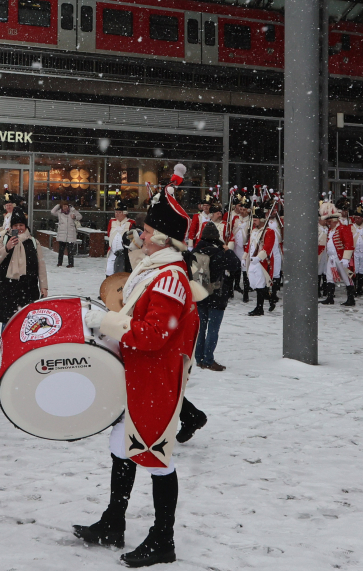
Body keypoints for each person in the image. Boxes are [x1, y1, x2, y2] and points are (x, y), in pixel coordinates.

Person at [75, 164, 201, 568]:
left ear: (163, 238)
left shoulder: (168, 278)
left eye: (146, 231)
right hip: (138, 372)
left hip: (154, 376)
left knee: (156, 456)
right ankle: (114, 521)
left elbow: (152, 335)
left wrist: (105, 323)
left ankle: (163, 539)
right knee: (121, 448)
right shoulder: (155, 270)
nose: (140, 234)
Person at [192, 223, 237, 371]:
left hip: (200, 294)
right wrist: (226, 249)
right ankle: (208, 360)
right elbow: (235, 265)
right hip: (216, 296)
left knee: (200, 328)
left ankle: (199, 358)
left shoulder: (195, 251)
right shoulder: (219, 253)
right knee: (212, 329)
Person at [0, 211, 49, 324]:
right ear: (11, 227)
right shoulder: (3, 239)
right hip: (7, 288)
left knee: (28, 322)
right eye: (15, 225)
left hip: (29, 287)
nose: (19, 228)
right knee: (8, 323)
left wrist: (44, 286)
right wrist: (7, 248)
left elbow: (41, 265)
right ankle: (6, 341)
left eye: (21, 225)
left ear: (25, 226)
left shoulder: (33, 242)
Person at [54, 200, 83, 267]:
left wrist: (74, 215)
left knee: (70, 250)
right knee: (61, 250)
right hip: (62, 234)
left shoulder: (72, 212)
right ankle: (59, 262)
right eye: (64, 206)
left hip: (70, 233)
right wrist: (58, 205)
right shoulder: (59, 212)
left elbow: (80, 216)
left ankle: (71, 263)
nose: (65, 207)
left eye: (66, 206)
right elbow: (52, 211)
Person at [106, 209, 134, 276]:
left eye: (119, 212)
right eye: (116, 212)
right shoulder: (112, 222)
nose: (117, 214)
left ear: (125, 213)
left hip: (124, 253)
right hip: (112, 251)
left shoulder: (130, 223)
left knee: (122, 271)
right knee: (109, 270)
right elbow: (109, 233)